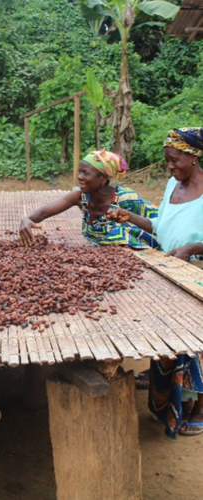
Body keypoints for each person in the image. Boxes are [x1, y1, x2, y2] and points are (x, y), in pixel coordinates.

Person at [108, 127, 203, 437]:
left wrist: (192, 249)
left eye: (175, 160)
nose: (170, 167)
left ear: (193, 156)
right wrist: (128, 217)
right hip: (171, 269)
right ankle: (173, 401)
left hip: (197, 277)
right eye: (167, 161)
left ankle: (199, 406)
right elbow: (159, 226)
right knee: (168, 337)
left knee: (196, 346)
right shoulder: (171, 187)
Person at [19, 149, 159, 249]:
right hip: (101, 254)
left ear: (103, 179)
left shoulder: (125, 199)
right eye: (80, 171)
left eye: (85, 173)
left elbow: (158, 224)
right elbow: (43, 212)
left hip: (140, 252)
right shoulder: (80, 197)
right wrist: (26, 219)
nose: (79, 177)